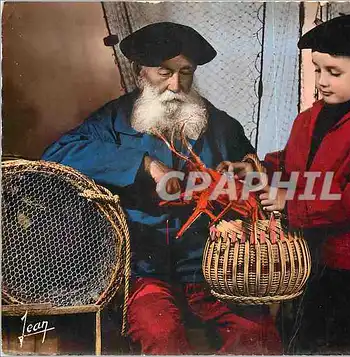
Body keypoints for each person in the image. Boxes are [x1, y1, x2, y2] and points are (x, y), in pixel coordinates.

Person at [42, 22, 281, 355]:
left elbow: (257, 180)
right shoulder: (113, 120)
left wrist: (247, 190)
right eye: (163, 72)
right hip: (143, 274)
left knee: (258, 334)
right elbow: (56, 155)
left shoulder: (222, 125)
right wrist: (144, 165)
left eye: (185, 73)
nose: (175, 85)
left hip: (214, 271)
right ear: (142, 72)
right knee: (162, 335)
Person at [222, 14, 350, 354]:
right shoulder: (307, 120)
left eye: (333, 73)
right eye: (317, 70)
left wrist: (291, 203)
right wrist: (258, 169)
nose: (321, 81)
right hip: (306, 262)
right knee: (298, 343)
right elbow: (291, 165)